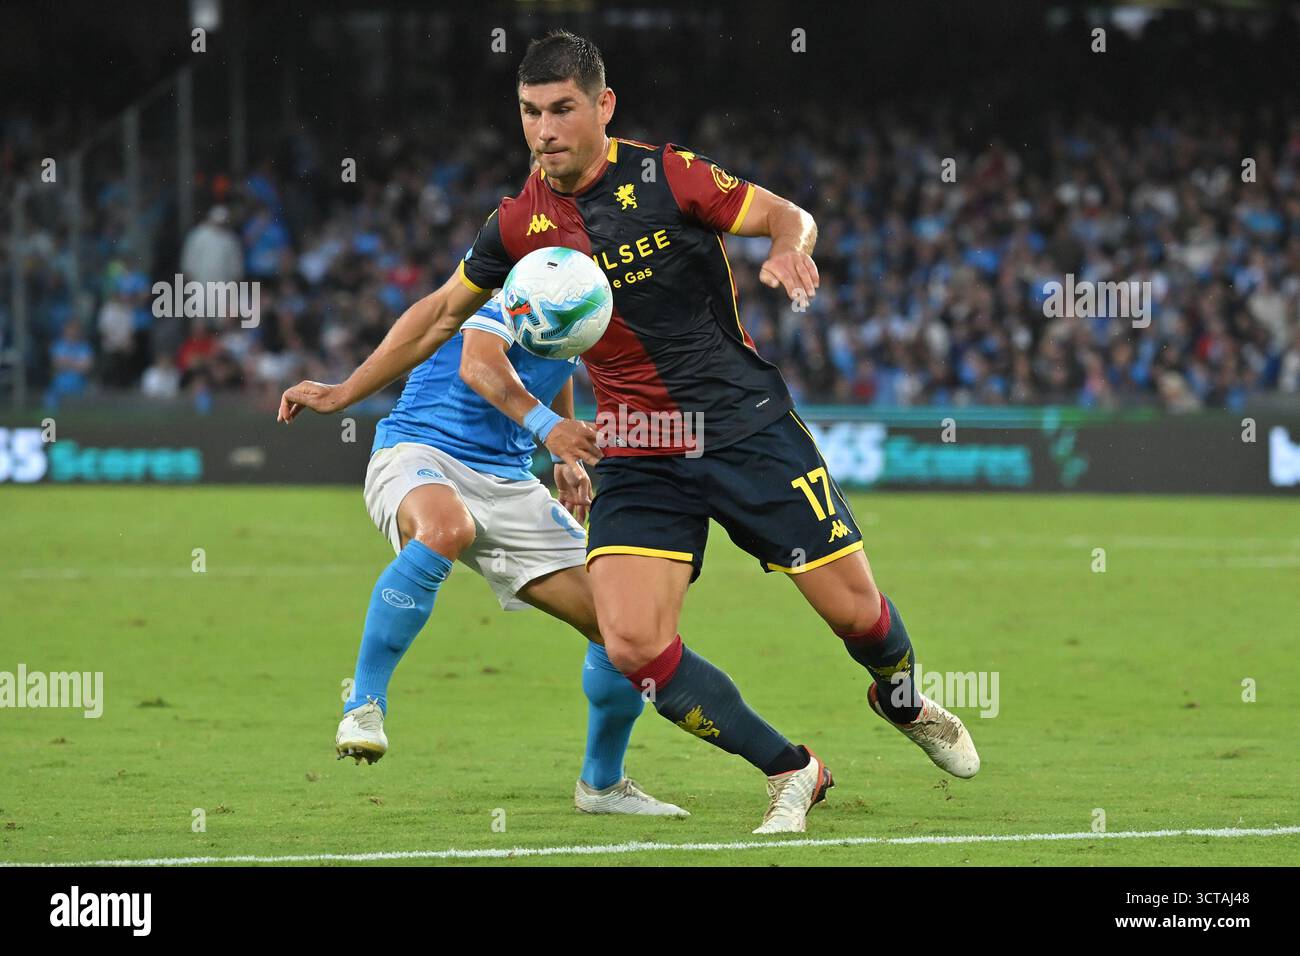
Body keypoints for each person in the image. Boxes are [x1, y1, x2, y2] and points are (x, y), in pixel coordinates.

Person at [278, 31, 978, 834]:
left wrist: (788, 250)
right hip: (641, 446)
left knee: (856, 616)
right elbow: (440, 317)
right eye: (530, 113)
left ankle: (902, 700)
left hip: (744, 427)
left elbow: (789, 214)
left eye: (562, 110)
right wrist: (344, 391)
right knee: (634, 643)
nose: (544, 131)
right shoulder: (518, 227)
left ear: (603, 106)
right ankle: (792, 770)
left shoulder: (667, 175)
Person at [327, 287, 686, 817]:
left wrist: (560, 456)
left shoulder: (588, 298)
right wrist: (551, 429)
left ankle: (602, 785)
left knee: (622, 626)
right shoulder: (517, 282)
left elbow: (558, 357)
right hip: (422, 450)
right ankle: (363, 705)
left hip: (511, 482)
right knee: (446, 529)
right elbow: (479, 365)